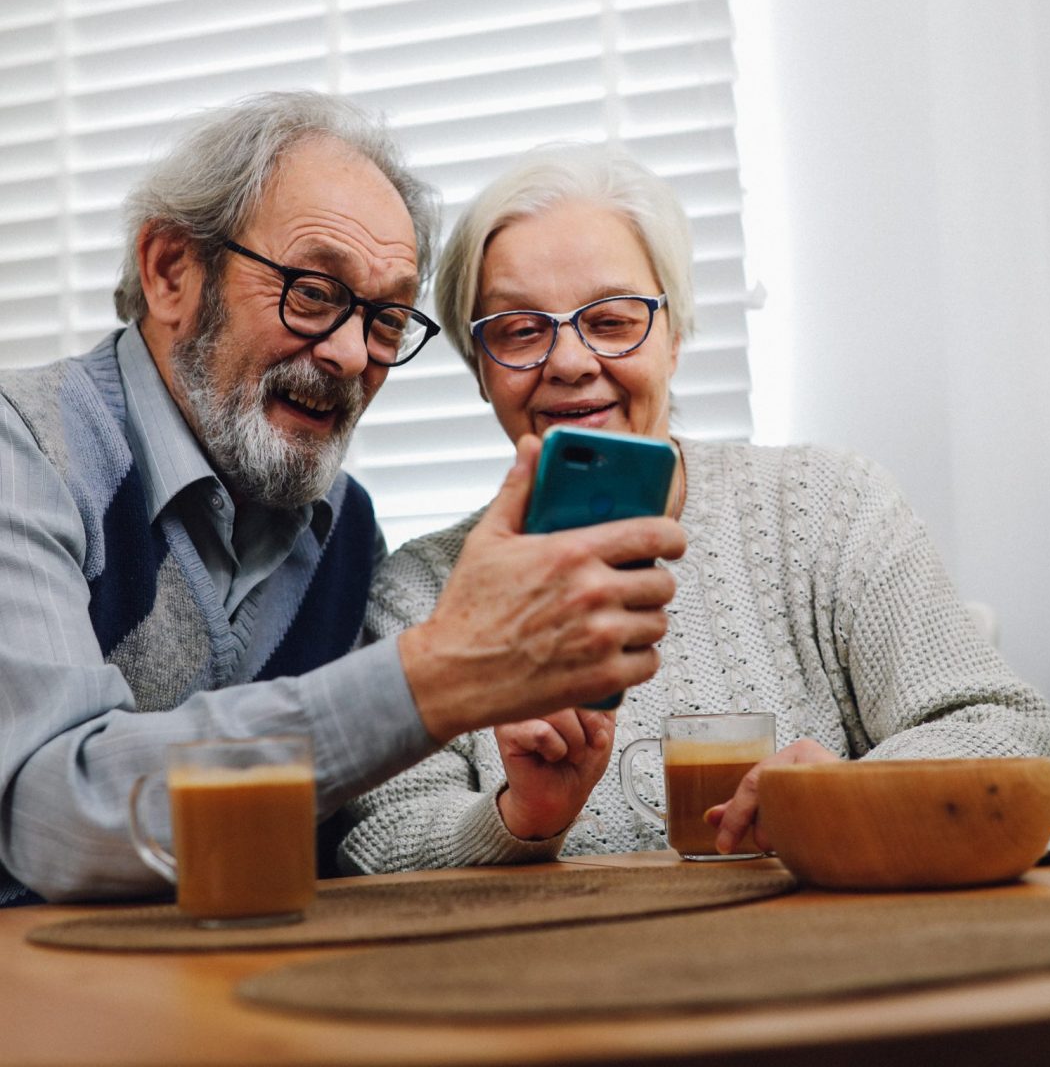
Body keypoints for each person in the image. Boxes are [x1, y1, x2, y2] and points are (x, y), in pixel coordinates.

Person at [0, 98, 685, 907]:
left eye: (388, 316)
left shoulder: (343, 532)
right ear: (170, 271)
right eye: (315, 292)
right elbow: (55, 815)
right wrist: (433, 680)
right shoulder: (28, 450)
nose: (355, 353)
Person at [337, 143, 1050, 874]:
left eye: (613, 320)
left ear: (674, 337)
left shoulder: (829, 506)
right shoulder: (419, 591)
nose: (569, 362)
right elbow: (375, 846)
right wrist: (518, 819)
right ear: (481, 369)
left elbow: (998, 723)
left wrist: (847, 790)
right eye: (520, 331)